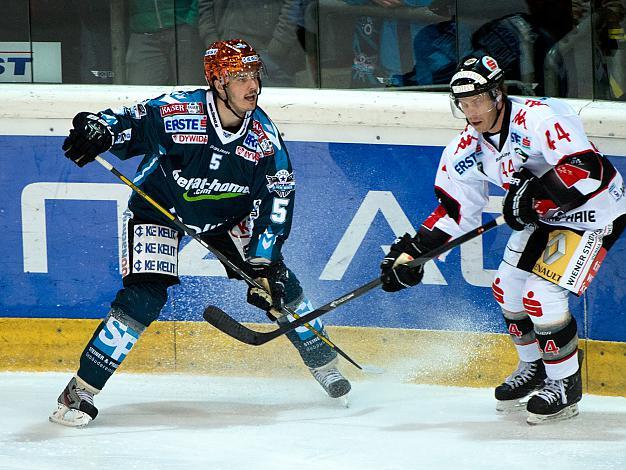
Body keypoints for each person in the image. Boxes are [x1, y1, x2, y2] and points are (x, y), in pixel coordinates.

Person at [50, 38, 351, 427]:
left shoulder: (265, 141)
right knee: (143, 296)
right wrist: (98, 131)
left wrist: (261, 265)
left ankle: (324, 362)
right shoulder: (179, 111)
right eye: (239, 77)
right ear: (218, 81)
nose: (252, 86)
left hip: (229, 216)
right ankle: (81, 391)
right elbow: (125, 121)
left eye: (255, 75)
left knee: (279, 286)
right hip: (161, 209)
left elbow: (275, 207)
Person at [379, 54, 626, 424]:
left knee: (540, 296)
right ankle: (536, 368)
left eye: (477, 100)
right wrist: (416, 252)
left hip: (594, 212)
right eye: (462, 103)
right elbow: (455, 211)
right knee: (505, 289)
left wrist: (536, 195)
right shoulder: (465, 148)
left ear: (498, 94)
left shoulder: (540, 118)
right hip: (543, 217)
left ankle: (565, 385)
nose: (471, 111)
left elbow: (587, 169)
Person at [198, 1, 305, 87]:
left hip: (271, 54)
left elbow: (292, 6)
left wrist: (278, 45)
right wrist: (214, 44)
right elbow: (205, 6)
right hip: (228, 52)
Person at [125, 0, 204, 85]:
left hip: (184, 27)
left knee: (191, 89)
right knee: (140, 92)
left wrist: (193, 18)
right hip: (142, 30)